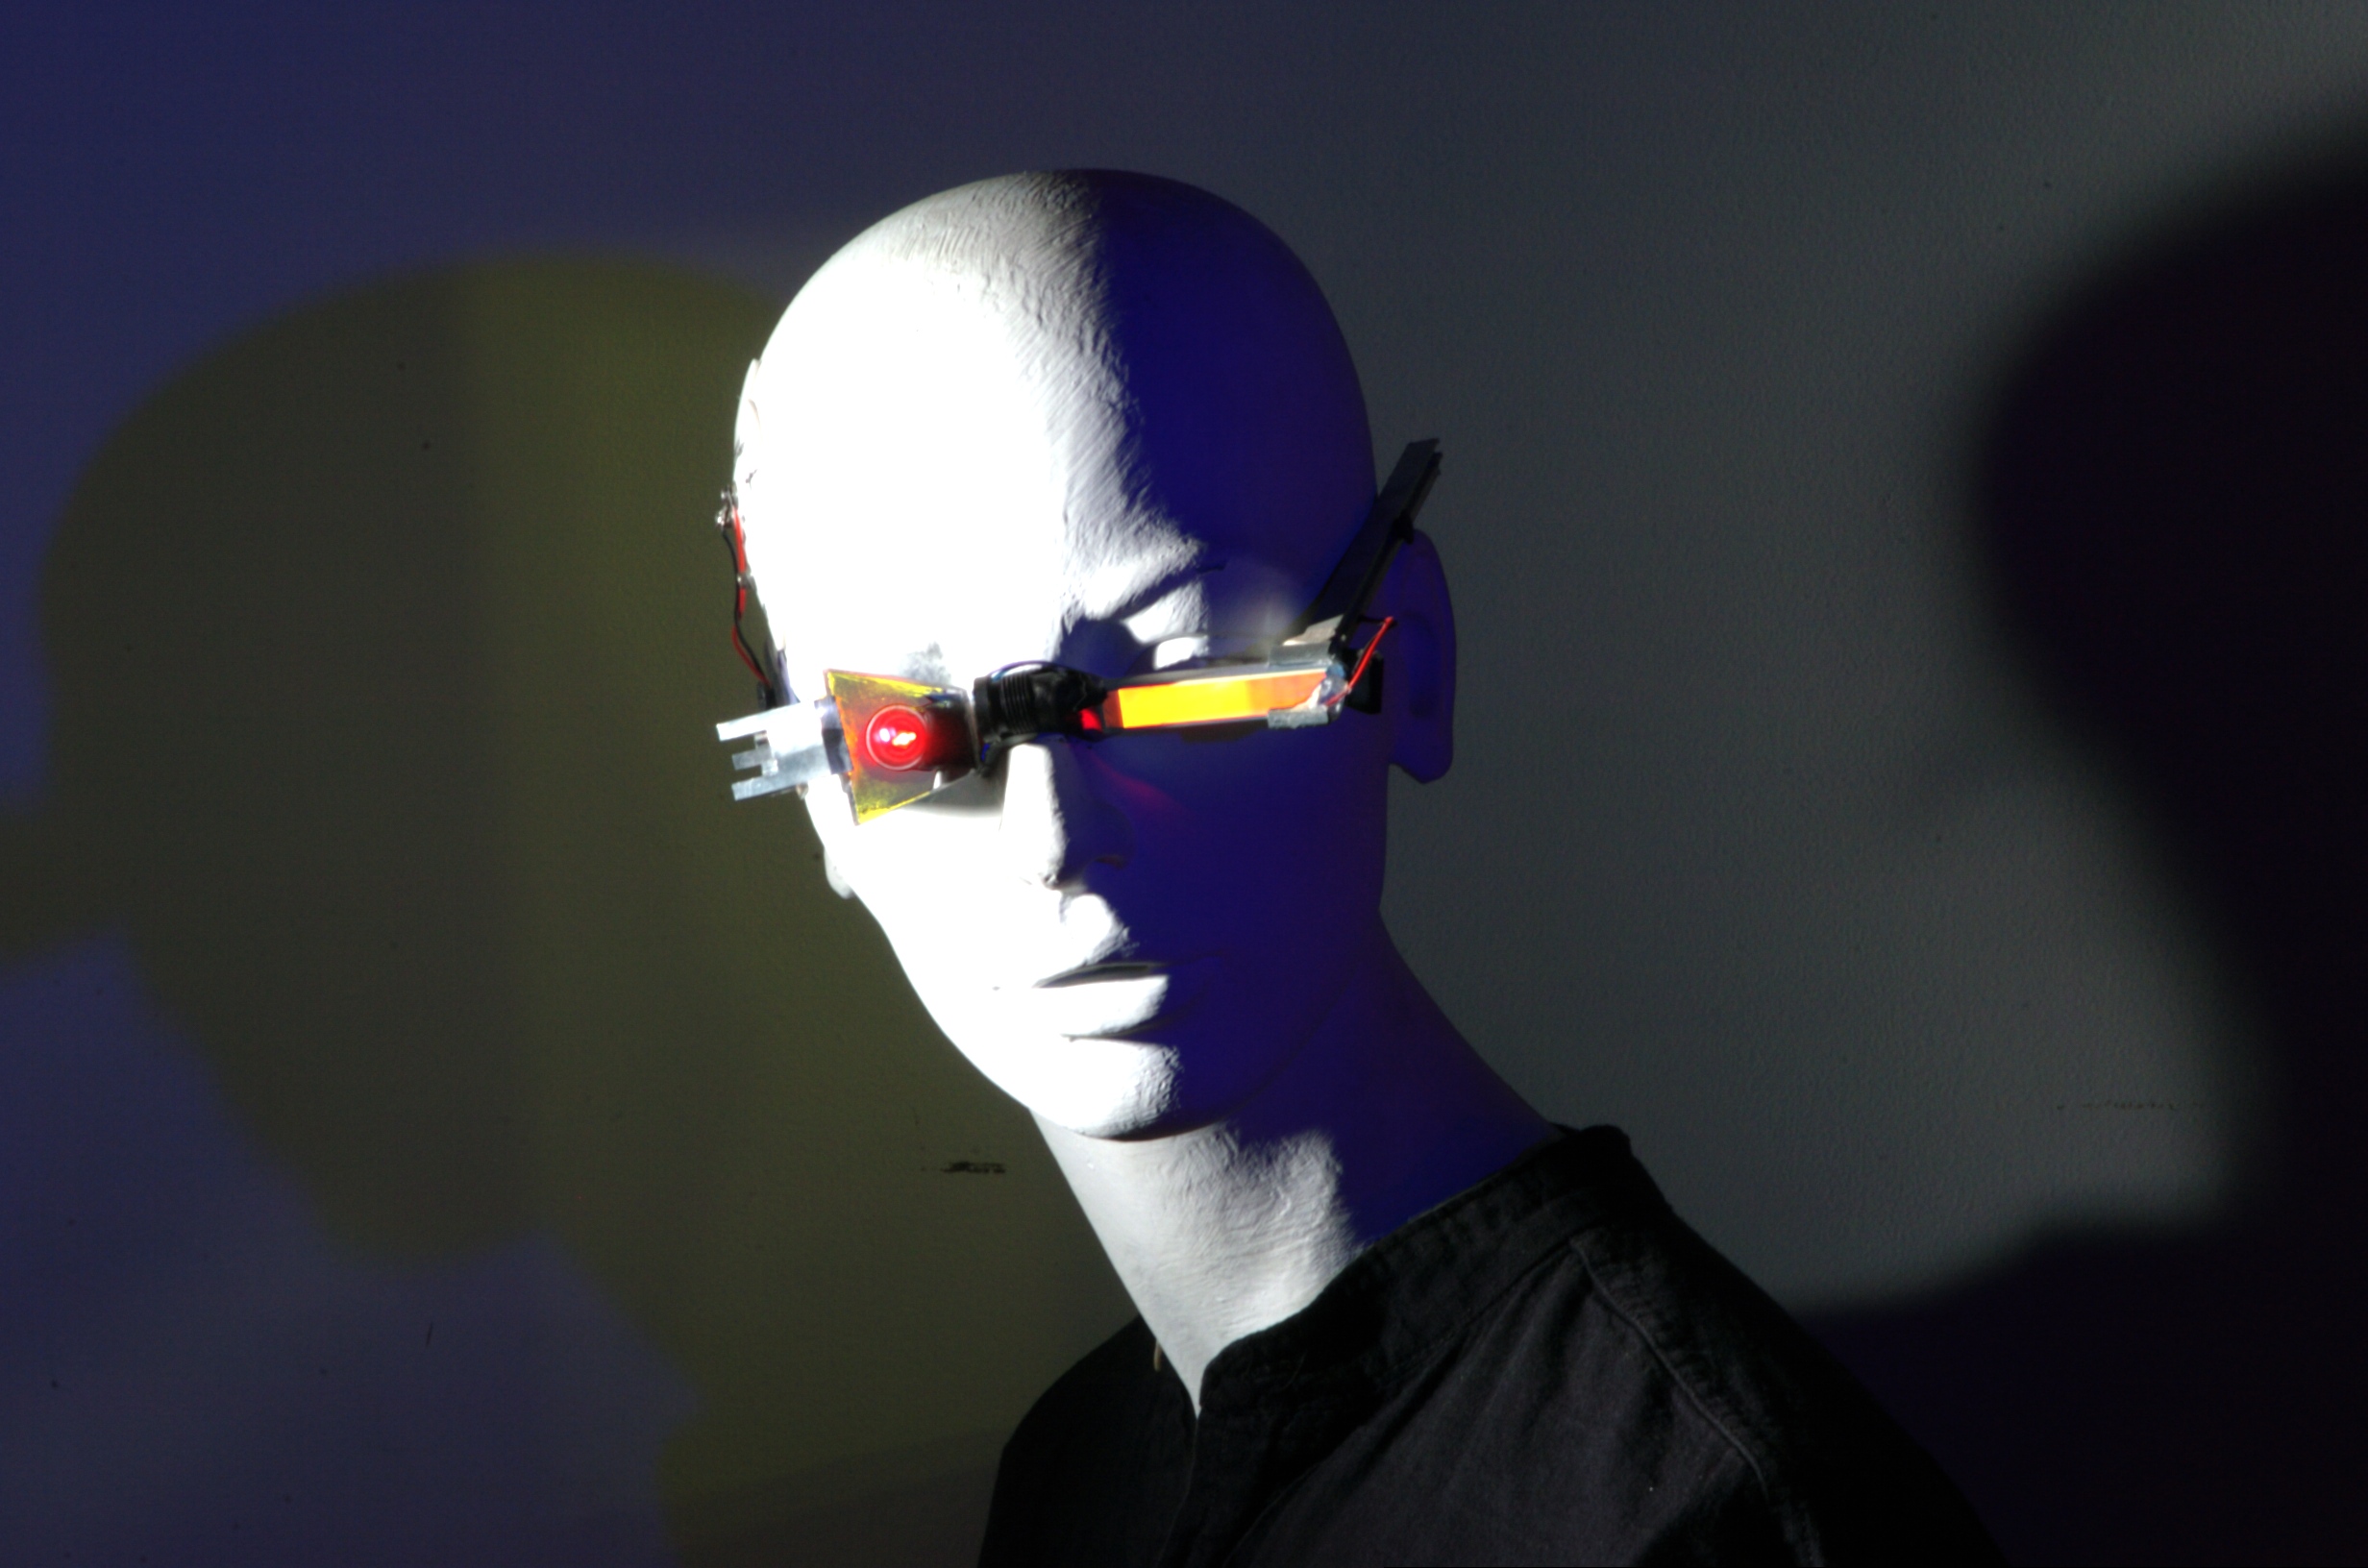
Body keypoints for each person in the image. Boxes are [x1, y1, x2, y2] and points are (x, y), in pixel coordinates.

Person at [720, 169, 1998, 1565]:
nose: (1058, 838)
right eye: (907, 730)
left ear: (1414, 666)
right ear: (822, 795)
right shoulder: (1073, 1480)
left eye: (1194, 666)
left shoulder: (1713, 1522)